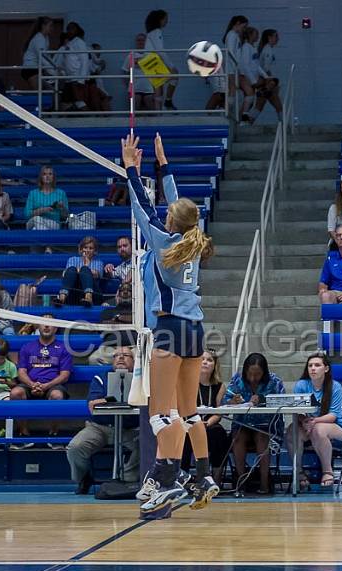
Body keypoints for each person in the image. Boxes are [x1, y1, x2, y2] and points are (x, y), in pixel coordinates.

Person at [123, 133, 219, 513]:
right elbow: (175, 204)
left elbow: (140, 205)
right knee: (188, 411)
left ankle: (167, 478)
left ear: (170, 220)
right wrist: (163, 166)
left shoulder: (163, 242)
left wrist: (131, 167)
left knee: (160, 413)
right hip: (195, 331)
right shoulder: (194, 239)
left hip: (169, 329)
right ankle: (203, 473)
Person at [67, 346, 139, 494]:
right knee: (75, 447)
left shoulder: (140, 380)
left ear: (134, 360)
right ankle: (83, 478)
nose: (120, 358)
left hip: (131, 429)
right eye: (117, 355)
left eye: (125, 355)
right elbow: (92, 404)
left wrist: (106, 400)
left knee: (148, 443)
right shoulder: (100, 378)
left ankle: (126, 479)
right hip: (100, 427)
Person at [222, 352, 285, 494]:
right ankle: (241, 481)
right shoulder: (237, 379)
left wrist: (263, 400)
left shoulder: (274, 381)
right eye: (250, 374)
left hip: (266, 427)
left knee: (262, 438)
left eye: (257, 374)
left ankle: (264, 483)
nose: (253, 378)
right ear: (245, 371)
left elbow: (283, 401)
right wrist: (232, 402)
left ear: (264, 372)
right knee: (237, 438)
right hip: (242, 425)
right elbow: (224, 401)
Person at [291, 352, 342, 490]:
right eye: (310, 365)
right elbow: (295, 410)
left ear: (326, 369)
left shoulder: (335, 386)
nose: (313, 368)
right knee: (291, 431)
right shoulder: (301, 385)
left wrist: (314, 421)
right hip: (308, 423)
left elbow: (333, 415)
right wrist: (304, 419)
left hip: (335, 426)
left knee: (319, 429)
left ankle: (327, 471)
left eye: (317, 365)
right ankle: (298, 472)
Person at [10, 317, 71, 443]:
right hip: (30, 384)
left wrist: (46, 386)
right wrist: (32, 384)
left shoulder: (63, 348)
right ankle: (24, 434)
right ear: (38, 326)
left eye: (50, 324)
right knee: (15, 393)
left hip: (53, 384)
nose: (46, 326)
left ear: (56, 328)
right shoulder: (27, 347)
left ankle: (53, 435)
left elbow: (65, 375)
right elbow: (21, 372)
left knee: (57, 396)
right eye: (43, 323)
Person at [187, 349, 230, 486]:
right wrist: (197, 423)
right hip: (190, 423)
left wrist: (208, 423)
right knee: (183, 436)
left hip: (210, 424)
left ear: (214, 365)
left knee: (219, 434)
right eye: (202, 359)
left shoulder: (219, 386)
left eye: (209, 360)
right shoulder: (187, 383)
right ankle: (183, 478)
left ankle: (215, 480)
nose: (205, 362)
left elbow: (219, 411)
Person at [144, 10, 179, 110]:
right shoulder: (156, 32)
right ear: (159, 20)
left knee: (159, 87)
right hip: (151, 60)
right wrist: (171, 66)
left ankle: (159, 111)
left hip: (149, 60)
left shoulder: (151, 32)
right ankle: (167, 102)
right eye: (165, 19)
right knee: (175, 76)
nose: (167, 21)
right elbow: (160, 50)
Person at [58, 235, 104, 306]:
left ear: (95, 251)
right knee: (72, 269)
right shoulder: (72, 259)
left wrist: (86, 265)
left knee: (84, 269)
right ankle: (62, 298)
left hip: (94, 294)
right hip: (74, 292)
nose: (87, 250)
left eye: (91, 248)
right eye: (85, 247)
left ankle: (88, 297)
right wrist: (83, 269)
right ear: (81, 249)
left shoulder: (99, 263)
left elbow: (95, 275)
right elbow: (66, 274)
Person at [25, 165, 68, 230]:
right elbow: (27, 215)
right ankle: (46, 237)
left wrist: (62, 208)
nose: (47, 176)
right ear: (41, 177)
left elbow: (65, 216)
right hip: (33, 221)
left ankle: (42, 236)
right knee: (37, 219)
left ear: (53, 177)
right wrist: (42, 210)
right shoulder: (33, 193)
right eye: (44, 174)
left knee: (35, 229)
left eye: (50, 174)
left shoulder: (61, 193)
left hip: (53, 223)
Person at [21, 17, 55, 89]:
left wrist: (55, 67)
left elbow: (47, 56)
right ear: (43, 26)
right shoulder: (38, 38)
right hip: (30, 69)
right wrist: (53, 72)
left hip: (38, 69)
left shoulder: (46, 38)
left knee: (48, 91)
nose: (52, 28)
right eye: (50, 25)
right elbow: (42, 57)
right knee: (39, 93)